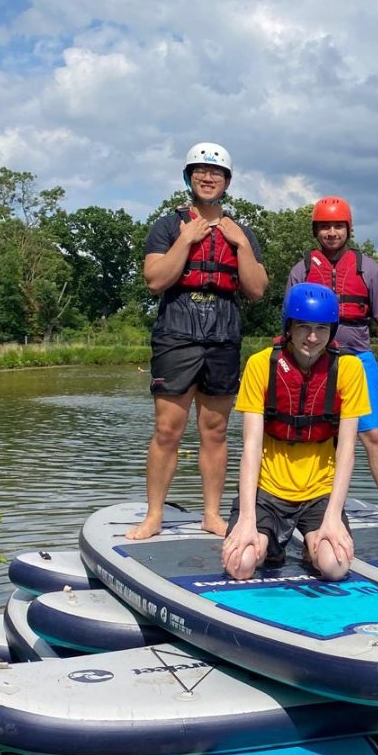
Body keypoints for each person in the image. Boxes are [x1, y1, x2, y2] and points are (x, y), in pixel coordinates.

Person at [127, 142, 269, 540]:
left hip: (223, 330)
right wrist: (186, 240)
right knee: (168, 430)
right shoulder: (168, 226)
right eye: (200, 172)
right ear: (189, 177)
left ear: (226, 181)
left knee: (215, 430)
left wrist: (239, 243)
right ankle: (154, 515)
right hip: (178, 328)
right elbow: (155, 280)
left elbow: (256, 289)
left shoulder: (241, 231)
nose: (208, 178)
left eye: (216, 173)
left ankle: (211, 514)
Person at [221, 282, 371, 582]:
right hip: (268, 490)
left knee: (335, 566)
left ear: (332, 330)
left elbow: (347, 452)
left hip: (319, 491)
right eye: (303, 326)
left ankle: (311, 546)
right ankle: (271, 544)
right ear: (288, 326)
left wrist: (333, 519)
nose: (312, 337)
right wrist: (247, 519)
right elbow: (250, 447)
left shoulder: (350, 369)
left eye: (321, 328)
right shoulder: (260, 364)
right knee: (241, 565)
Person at [285, 196, 378, 524]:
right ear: (316, 230)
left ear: (348, 229)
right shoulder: (301, 269)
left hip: (358, 360)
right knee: (320, 436)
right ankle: (315, 508)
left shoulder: (368, 268)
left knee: (373, 435)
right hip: (316, 362)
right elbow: (289, 326)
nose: (331, 232)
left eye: (337, 226)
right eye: (325, 226)